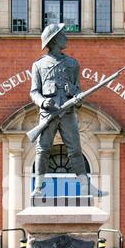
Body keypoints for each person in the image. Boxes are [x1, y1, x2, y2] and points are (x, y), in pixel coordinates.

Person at [30, 23, 105, 198]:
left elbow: (79, 91)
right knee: (43, 150)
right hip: (49, 114)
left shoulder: (72, 64)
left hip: (68, 113)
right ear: (54, 39)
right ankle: (39, 188)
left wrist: (75, 94)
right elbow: (34, 92)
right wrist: (43, 102)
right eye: (62, 34)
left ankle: (86, 186)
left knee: (75, 150)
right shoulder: (38, 65)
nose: (66, 37)